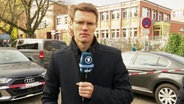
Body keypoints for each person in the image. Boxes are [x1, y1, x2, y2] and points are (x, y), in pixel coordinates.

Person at [41, 2, 134, 104]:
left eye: (90, 23)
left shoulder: (113, 56)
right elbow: (48, 98)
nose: (85, 28)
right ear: (71, 24)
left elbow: (127, 95)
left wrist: (96, 93)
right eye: (80, 22)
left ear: (96, 25)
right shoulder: (58, 58)